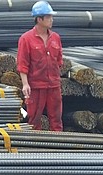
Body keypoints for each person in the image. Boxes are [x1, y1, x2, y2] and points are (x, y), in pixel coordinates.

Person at [17, 1, 64, 131]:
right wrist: (25, 84)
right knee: (34, 120)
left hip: (53, 86)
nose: (51, 20)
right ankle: (35, 148)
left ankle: (59, 147)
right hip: (36, 87)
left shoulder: (55, 38)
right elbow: (22, 63)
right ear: (39, 19)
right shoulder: (26, 39)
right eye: (48, 17)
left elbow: (59, 61)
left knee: (56, 120)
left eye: (51, 17)